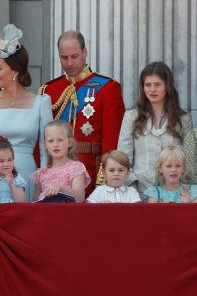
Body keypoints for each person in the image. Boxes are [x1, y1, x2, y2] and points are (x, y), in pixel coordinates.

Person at [39, 30, 125, 194]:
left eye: (74, 56)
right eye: (64, 58)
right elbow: (41, 139)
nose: (70, 63)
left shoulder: (107, 88)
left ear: (85, 52)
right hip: (55, 170)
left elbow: (112, 140)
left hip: (91, 168)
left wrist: (105, 176)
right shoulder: (49, 90)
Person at [0, 24, 52, 200]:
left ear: (15, 71)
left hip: (27, 177)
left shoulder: (41, 102)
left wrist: (40, 186)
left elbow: (45, 150)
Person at [117, 61, 191, 197]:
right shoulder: (131, 117)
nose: (152, 90)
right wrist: (132, 189)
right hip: (140, 192)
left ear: (167, 87)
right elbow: (123, 158)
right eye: (147, 85)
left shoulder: (183, 119)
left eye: (157, 85)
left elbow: (188, 159)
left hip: (174, 193)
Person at [31, 121, 90, 202]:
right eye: (51, 141)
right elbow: (35, 202)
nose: (55, 144)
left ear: (69, 142)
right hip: (44, 213)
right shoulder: (40, 173)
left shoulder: (76, 167)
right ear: (45, 145)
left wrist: (61, 188)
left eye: (60, 140)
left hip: (66, 213)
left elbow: (80, 197)